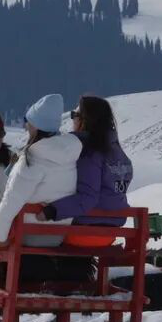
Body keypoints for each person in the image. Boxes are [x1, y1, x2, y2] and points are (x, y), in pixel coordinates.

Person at [0, 94, 82, 249]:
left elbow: (11, 200)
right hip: (57, 235)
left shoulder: (32, 158)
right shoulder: (70, 155)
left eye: (28, 121)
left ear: (36, 125)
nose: (26, 125)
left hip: (28, 234)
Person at [39, 96, 134, 239]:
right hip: (111, 230)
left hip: (85, 230)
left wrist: (52, 210)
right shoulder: (118, 153)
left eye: (74, 115)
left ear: (85, 120)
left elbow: (88, 197)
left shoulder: (89, 154)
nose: (72, 119)